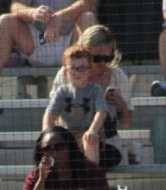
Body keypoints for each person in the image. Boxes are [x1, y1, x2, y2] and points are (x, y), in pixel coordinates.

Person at [0, 0, 99, 101]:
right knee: (5, 20)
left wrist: (59, 17)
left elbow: (89, 3)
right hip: (37, 42)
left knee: (88, 18)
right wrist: (32, 13)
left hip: (73, 44)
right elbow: (15, 5)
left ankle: (88, 85)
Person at [53, 24, 133, 168]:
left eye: (108, 58)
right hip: (71, 138)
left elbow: (126, 123)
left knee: (100, 155)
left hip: (105, 140)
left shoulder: (118, 76)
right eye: (97, 58)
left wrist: (121, 104)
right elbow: (54, 115)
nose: (103, 63)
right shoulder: (66, 74)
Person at [42, 45, 108, 165]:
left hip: (86, 132)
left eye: (82, 68)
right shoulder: (62, 91)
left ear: (89, 70)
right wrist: (47, 133)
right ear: (66, 72)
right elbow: (49, 114)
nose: (78, 72)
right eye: (73, 68)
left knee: (90, 141)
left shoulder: (95, 90)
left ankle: (92, 178)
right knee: (54, 143)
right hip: (66, 134)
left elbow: (101, 112)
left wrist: (93, 130)